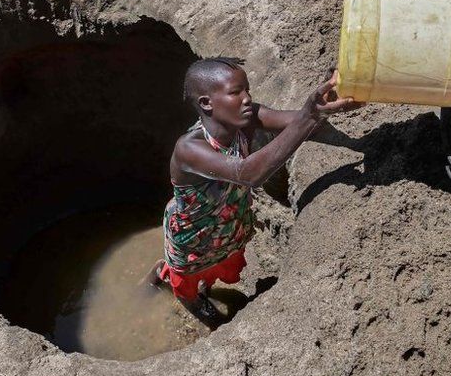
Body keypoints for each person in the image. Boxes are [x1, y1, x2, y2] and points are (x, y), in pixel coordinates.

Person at [148, 57, 361, 327]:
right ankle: (170, 283)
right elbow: (249, 174)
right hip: (193, 236)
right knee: (189, 285)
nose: (247, 98)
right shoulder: (190, 149)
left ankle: (183, 281)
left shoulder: (248, 119)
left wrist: (329, 105)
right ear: (206, 103)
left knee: (214, 272)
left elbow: (300, 122)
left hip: (229, 227)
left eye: (247, 90)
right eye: (236, 93)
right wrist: (310, 116)